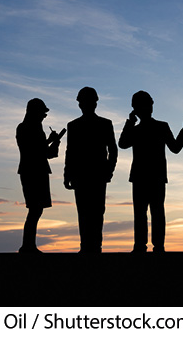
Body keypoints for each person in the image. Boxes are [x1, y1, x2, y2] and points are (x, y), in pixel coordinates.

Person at [119, 91, 183, 253]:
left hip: (152, 177)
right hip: (145, 177)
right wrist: (130, 123)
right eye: (147, 104)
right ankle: (146, 246)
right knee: (147, 213)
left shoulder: (160, 126)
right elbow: (122, 144)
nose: (149, 107)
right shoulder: (146, 129)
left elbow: (175, 148)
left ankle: (152, 246)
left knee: (152, 212)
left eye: (149, 104)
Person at [64, 87, 118, 253]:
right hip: (84, 175)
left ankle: (93, 246)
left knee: (94, 211)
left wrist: (109, 170)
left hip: (95, 174)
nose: (84, 104)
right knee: (87, 211)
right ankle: (88, 246)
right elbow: (70, 152)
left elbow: (113, 150)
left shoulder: (104, 124)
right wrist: (68, 174)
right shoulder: (73, 126)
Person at [16, 98, 62, 254]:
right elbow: (39, 152)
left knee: (36, 210)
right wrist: (52, 142)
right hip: (33, 172)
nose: (44, 116)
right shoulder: (27, 128)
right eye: (43, 112)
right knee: (35, 209)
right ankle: (27, 246)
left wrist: (52, 141)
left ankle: (29, 245)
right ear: (35, 112)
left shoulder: (30, 128)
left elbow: (44, 152)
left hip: (35, 171)